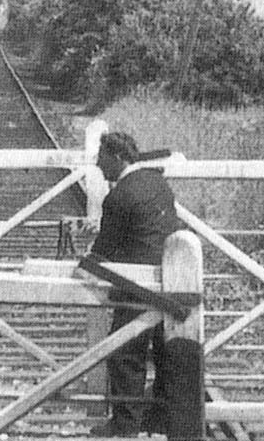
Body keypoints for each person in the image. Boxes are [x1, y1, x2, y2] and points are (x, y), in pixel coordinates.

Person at [88, 132, 181, 438]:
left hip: (136, 285)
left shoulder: (119, 196)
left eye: (101, 158)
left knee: (125, 353)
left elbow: (105, 250)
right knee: (165, 351)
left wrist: (83, 266)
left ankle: (125, 424)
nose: (98, 165)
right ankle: (160, 420)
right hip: (171, 281)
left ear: (117, 157)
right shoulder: (158, 183)